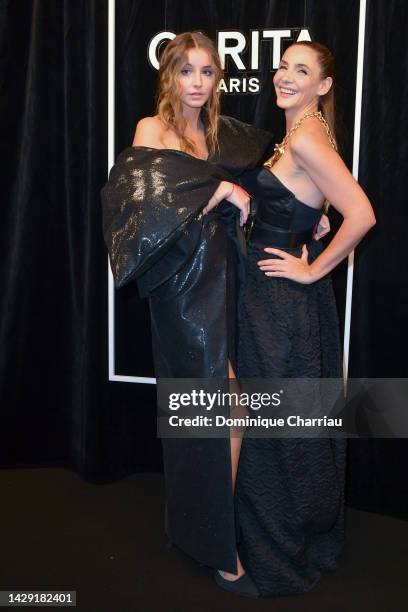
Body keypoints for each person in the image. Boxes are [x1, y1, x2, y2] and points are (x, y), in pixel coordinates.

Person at [100, 31, 276, 597]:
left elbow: (267, 169)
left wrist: (316, 212)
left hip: (223, 274)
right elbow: (141, 206)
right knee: (216, 407)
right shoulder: (153, 129)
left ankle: (202, 526)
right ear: (169, 75)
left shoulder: (217, 131)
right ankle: (221, 551)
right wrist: (218, 188)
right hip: (181, 287)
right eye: (187, 72)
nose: (197, 83)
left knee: (225, 412)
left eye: (207, 72)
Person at [231, 41, 376, 597]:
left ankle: (279, 550)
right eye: (283, 66)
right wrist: (307, 224)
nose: (284, 76)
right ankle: (297, 534)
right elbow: (311, 202)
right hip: (274, 297)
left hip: (280, 303)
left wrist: (314, 272)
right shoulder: (303, 133)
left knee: (276, 425)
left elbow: (361, 213)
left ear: (324, 85)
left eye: (302, 70)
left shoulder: (309, 135)